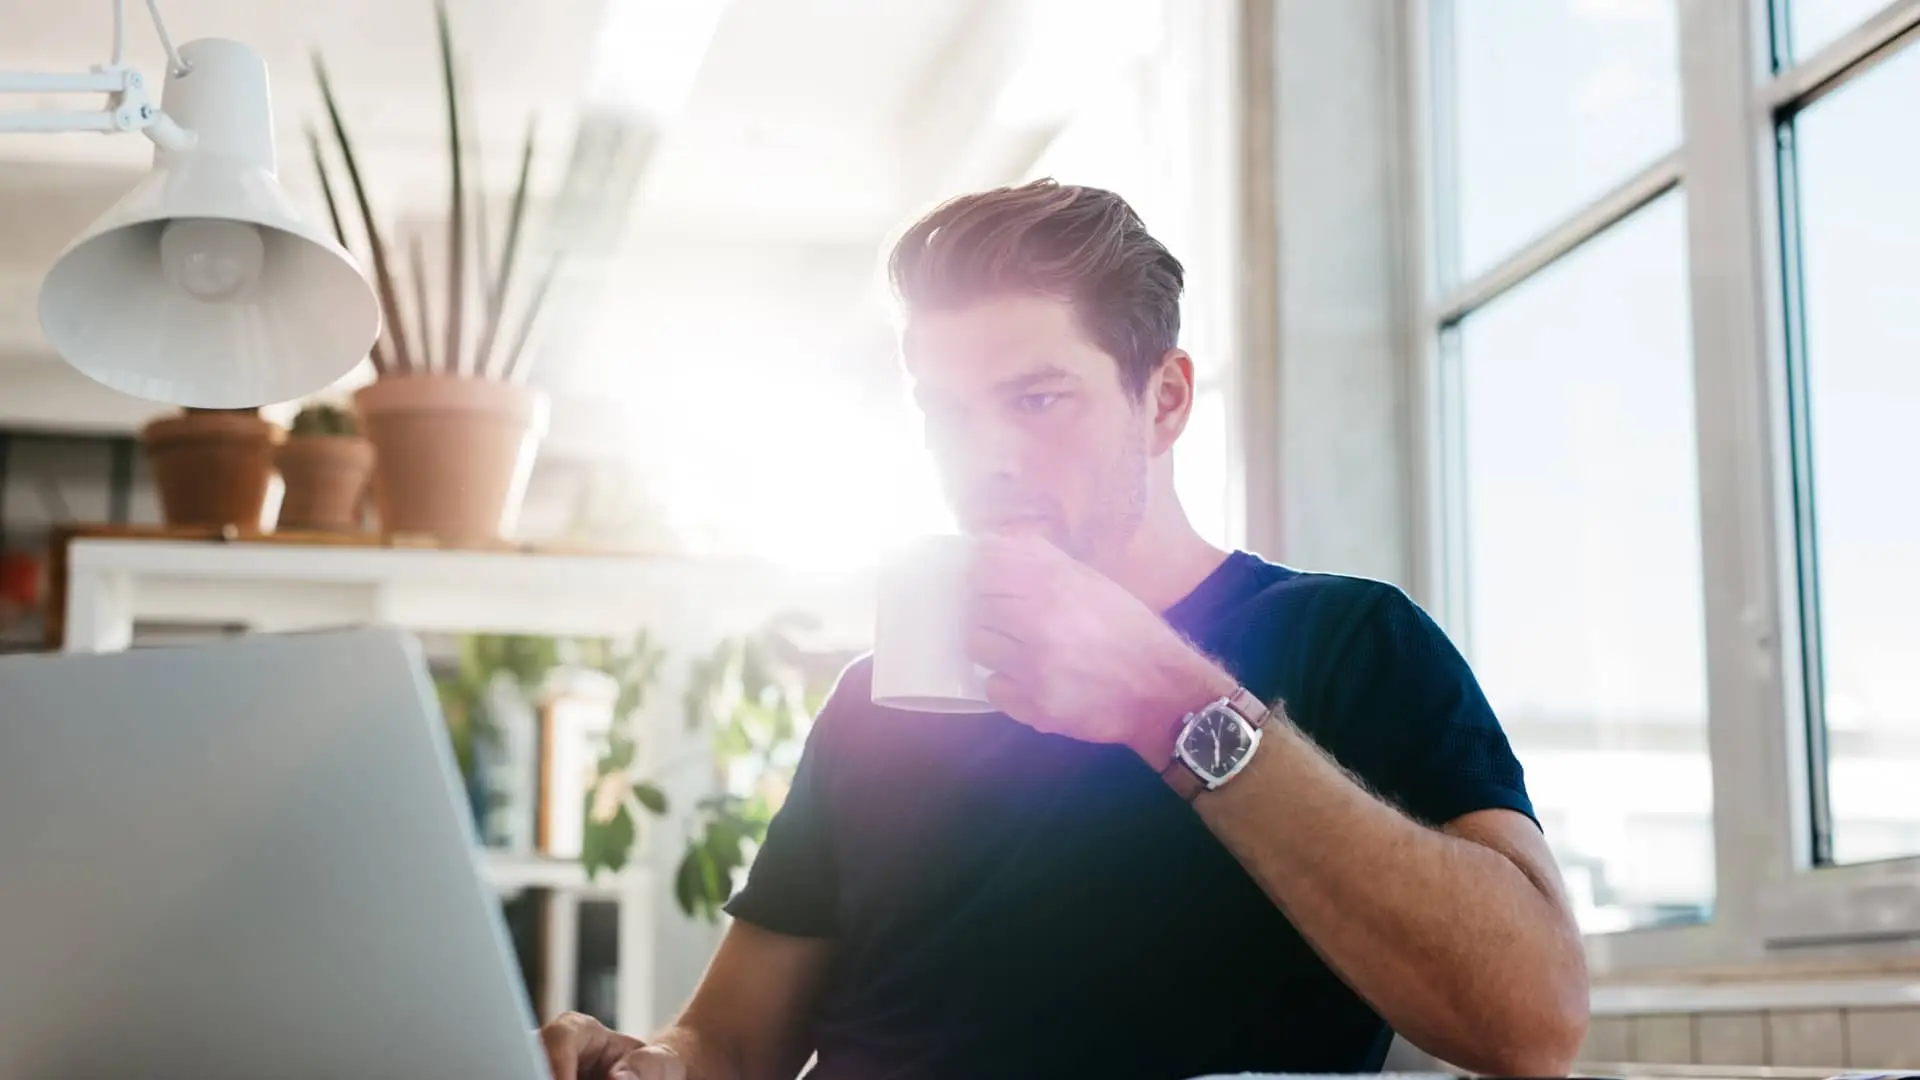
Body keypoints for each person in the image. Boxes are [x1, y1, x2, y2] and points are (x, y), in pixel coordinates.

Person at [541, 180, 1588, 1080]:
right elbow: (730, 1042)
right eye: (945, 413)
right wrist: (652, 1063)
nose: (981, 459)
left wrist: (1168, 702)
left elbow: (1532, 1023)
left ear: (1165, 400)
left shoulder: (1348, 640)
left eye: (1037, 400)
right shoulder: (878, 697)